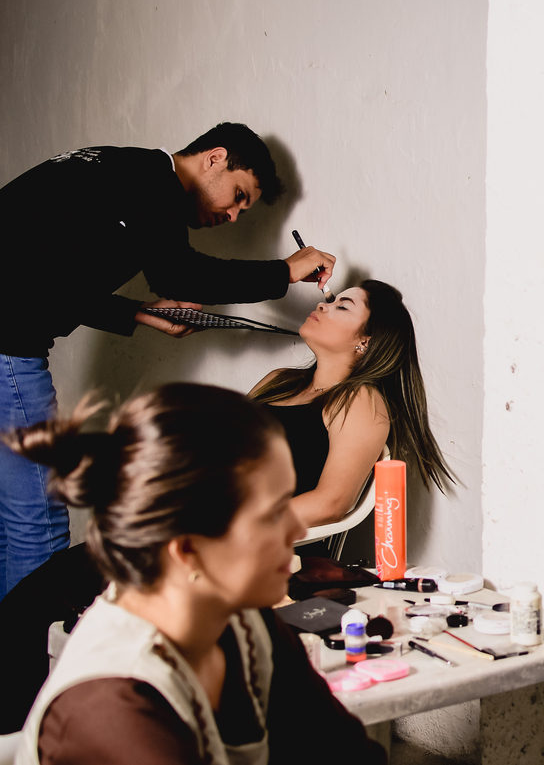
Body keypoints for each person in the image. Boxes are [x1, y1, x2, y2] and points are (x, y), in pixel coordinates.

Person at [0, 121, 338, 598]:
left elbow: (44, 276)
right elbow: (182, 274)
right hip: (8, 349)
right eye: (239, 195)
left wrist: (138, 313)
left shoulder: (121, 171)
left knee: (9, 526)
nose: (236, 215)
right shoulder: (152, 181)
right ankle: (33, 666)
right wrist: (285, 271)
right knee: (37, 522)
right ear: (214, 158)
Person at [6, 384, 386, 764]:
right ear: (187, 550)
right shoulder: (113, 710)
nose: (297, 530)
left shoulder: (247, 624)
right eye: (271, 514)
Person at [249, 279, 453, 528]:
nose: (322, 306)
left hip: (263, 546)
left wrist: (234, 526)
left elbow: (331, 504)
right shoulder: (278, 380)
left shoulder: (359, 401)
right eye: (330, 302)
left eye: (342, 307)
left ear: (365, 341)